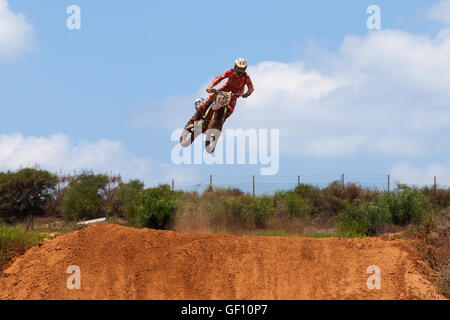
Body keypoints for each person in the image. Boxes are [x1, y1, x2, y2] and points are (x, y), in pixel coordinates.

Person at [188, 58, 254, 126]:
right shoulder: (230, 72)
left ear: (245, 69)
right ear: (235, 66)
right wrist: (210, 86)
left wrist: (247, 94)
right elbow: (219, 78)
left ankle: (218, 125)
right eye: (238, 68)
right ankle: (197, 116)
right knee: (211, 97)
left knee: (230, 111)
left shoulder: (246, 77)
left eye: (241, 69)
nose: (239, 71)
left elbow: (251, 88)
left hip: (235, 95)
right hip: (225, 88)